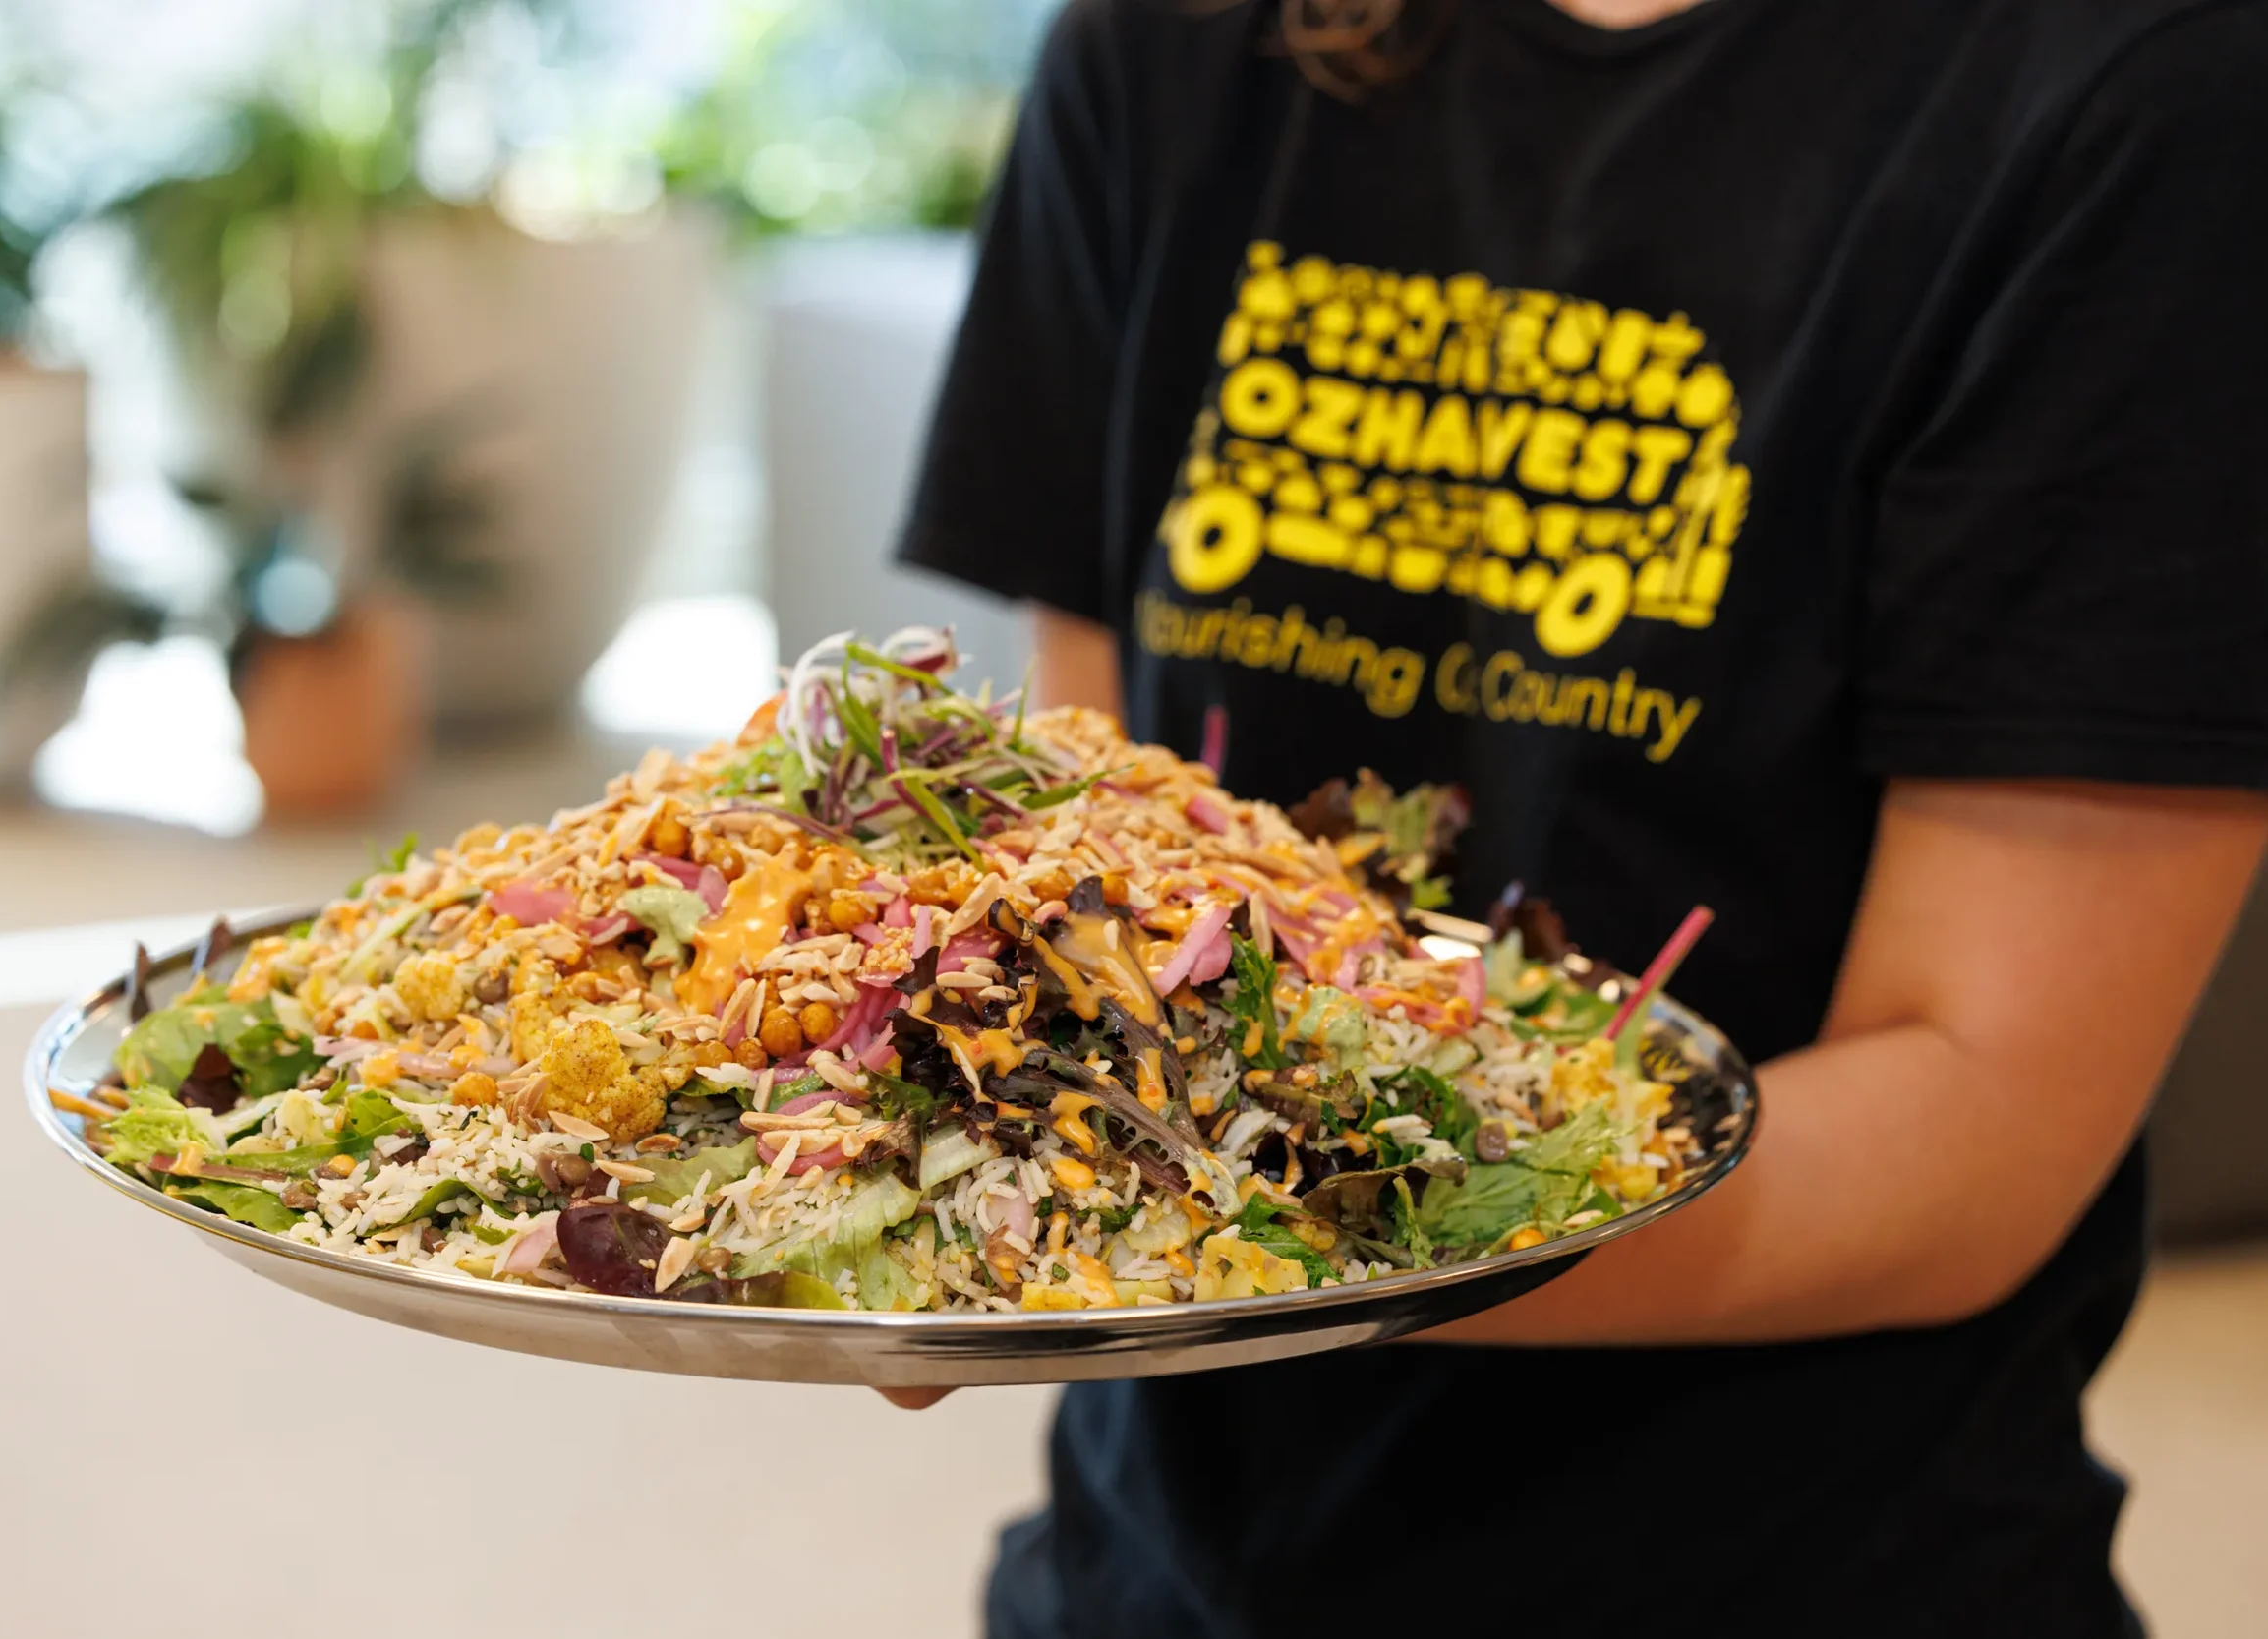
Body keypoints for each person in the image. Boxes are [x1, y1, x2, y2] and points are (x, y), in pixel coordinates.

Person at [885, 0, 2268, 1634]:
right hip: (1161, 1565)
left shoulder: (2152, 85)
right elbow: (1088, 856)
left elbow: (1979, 1125)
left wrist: (1110, 1254)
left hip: (1818, 1569)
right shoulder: (1174, 37)